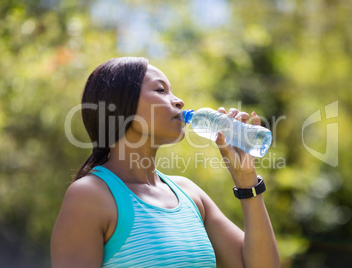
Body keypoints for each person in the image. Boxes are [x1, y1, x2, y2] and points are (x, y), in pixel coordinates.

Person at [51, 57, 280, 268]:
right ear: (121, 104)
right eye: (161, 90)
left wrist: (246, 179)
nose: (179, 101)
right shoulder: (90, 196)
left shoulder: (189, 194)